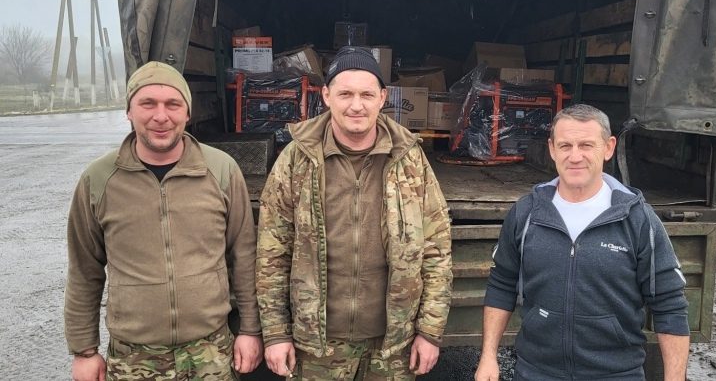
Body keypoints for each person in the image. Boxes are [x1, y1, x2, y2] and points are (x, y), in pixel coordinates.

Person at [256, 46, 453, 380]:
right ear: (327, 96)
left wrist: (430, 331)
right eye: (345, 94)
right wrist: (276, 333)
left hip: (392, 345)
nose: (356, 105)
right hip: (318, 346)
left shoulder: (409, 159)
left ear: (382, 98)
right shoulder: (297, 159)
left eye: (367, 94)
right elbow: (272, 252)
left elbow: (437, 249)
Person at [65, 61, 263, 381]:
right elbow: (84, 270)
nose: (161, 116)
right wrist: (84, 351)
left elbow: (244, 256)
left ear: (188, 113)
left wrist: (250, 330)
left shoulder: (221, 171)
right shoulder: (99, 180)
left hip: (211, 352)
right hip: (133, 358)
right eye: (148, 103)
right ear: (129, 111)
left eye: (173, 104)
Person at [475, 104, 690, 381]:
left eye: (586, 145)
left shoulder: (638, 219)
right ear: (552, 149)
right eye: (565, 146)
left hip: (616, 375)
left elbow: (669, 304)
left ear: (608, 147)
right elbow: (501, 285)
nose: (575, 156)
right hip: (536, 372)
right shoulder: (527, 214)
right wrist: (488, 355)